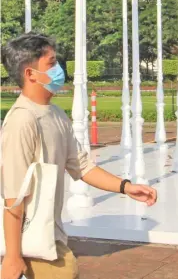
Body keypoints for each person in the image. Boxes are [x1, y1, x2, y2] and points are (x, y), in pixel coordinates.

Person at [1, 32, 157, 279]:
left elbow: (82, 166)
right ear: (30, 74)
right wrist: (12, 256)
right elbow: (14, 197)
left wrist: (125, 187)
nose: (58, 69)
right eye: (51, 64)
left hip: (50, 235)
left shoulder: (55, 114)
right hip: (29, 241)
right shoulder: (22, 120)